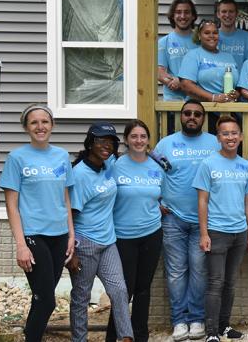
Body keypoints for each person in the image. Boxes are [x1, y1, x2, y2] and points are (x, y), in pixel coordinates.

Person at [0, 104, 75, 342]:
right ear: (25, 127)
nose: (40, 127)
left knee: (42, 297)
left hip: (60, 235)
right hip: (33, 235)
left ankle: (31, 335)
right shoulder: (17, 158)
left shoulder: (62, 156)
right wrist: (21, 245)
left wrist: (71, 234)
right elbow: (12, 205)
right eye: (34, 122)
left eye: (45, 122)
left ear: (52, 125)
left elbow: (65, 198)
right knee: (48, 301)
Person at [153, 100, 220, 341]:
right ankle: (179, 320)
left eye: (197, 114)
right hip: (173, 218)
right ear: (181, 116)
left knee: (200, 271)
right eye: (187, 113)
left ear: (204, 118)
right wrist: (156, 201)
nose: (192, 117)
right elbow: (151, 174)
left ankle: (197, 319)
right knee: (175, 272)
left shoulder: (214, 143)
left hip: (204, 221)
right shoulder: (165, 144)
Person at [192, 116, 248, 342]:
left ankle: (224, 326)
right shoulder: (209, 164)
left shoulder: (246, 165)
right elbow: (202, 201)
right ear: (218, 138)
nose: (230, 137)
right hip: (217, 232)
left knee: (230, 282)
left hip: (239, 233)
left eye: (234, 133)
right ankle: (211, 332)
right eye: (225, 133)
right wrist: (204, 233)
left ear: (241, 136)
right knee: (215, 282)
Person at [68, 122, 133, 342]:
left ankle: (126, 337)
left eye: (111, 142)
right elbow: (70, 216)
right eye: (100, 141)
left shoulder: (108, 164)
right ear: (90, 143)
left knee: (119, 292)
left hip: (108, 242)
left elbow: (131, 150)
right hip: (84, 243)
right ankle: (79, 339)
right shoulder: (79, 175)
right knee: (81, 297)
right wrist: (72, 252)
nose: (106, 146)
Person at [105, 120, 165, 342]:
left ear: (148, 140)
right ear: (127, 140)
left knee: (143, 289)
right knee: (123, 291)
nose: (139, 141)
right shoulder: (115, 165)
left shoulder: (156, 166)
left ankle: (140, 335)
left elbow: (161, 195)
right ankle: (115, 335)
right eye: (134, 137)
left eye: (143, 136)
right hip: (123, 237)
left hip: (151, 233)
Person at [179, 19, 240, 104]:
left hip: (228, 110)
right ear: (199, 36)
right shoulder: (193, 55)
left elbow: (236, 86)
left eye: (215, 33)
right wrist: (213, 97)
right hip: (203, 111)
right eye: (207, 33)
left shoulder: (229, 57)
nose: (212, 36)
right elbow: (186, 85)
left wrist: (236, 93)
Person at [158, 0, 199, 102]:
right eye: (178, 12)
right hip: (172, 101)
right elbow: (159, 72)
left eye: (187, 12)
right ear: (172, 16)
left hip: (197, 100)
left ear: (193, 16)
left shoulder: (201, 41)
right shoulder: (164, 42)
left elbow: (205, 70)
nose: (183, 16)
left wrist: (182, 83)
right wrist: (170, 82)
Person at [216, 0, 248, 67]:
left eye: (231, 11)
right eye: (224, 11)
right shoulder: (211, 37)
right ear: (218, 14)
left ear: (237, 14)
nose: (227, 15)